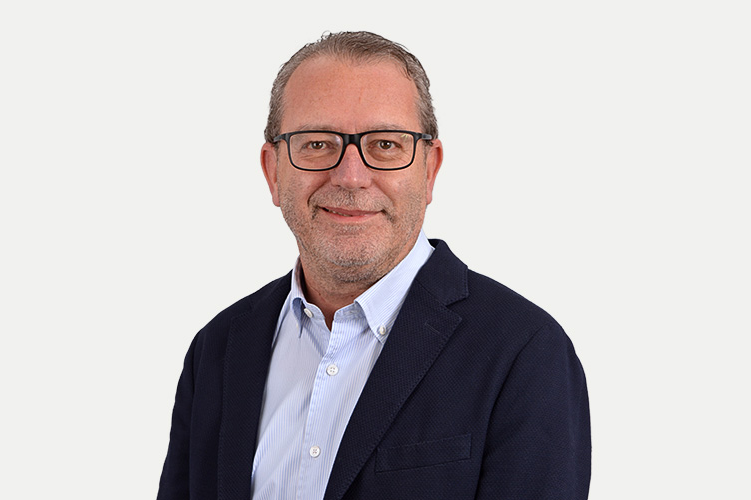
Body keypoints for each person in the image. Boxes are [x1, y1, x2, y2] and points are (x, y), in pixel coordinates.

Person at [157, 31, 590, 500]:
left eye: (385, 144)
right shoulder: (217, 349)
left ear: (429, 170)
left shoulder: (524, 352)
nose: (351, 176)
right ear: (273, 171)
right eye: (317, 144)